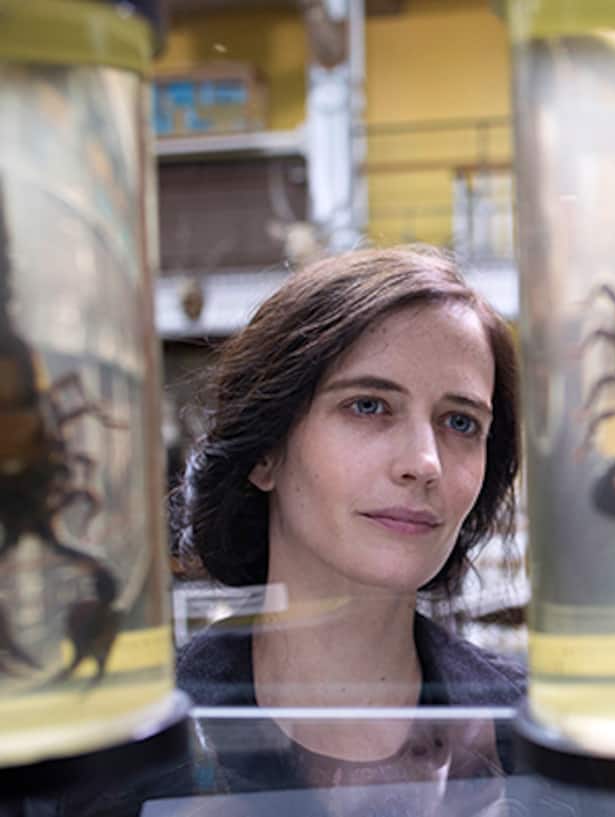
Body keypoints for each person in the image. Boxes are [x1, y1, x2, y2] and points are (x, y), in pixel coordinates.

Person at [172, 245, 524, 794]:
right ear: (264, 450)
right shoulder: (131, 743)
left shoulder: (533, 738)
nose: (424, 463)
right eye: (368, 405)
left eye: (460, 421)